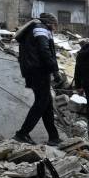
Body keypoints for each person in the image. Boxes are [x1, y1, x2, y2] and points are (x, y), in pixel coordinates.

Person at [14, 12, 62, 146]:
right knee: (42, 102)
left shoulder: (34, 29)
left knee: (46, 103)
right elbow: (44, 51)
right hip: (39, 70)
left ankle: (53, 137)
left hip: (32, 70)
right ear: (50, 23)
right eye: (55, 25)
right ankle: (22, 133)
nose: (55, 28)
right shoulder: (41, 29)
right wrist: (55, 70)